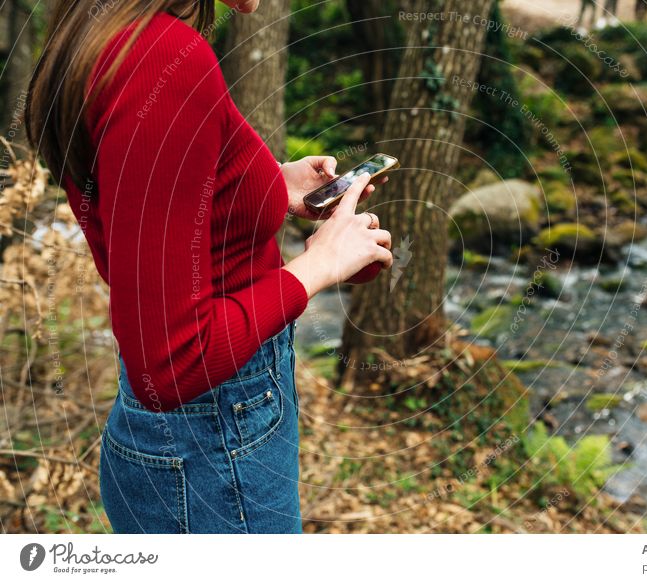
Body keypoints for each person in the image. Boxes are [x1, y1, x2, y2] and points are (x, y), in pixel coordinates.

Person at [25, 0, 392, 533]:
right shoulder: (166, 60)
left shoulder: (103, 35)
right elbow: (169, 362)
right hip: (216, 451)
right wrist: (320, 264)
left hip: (192, 450)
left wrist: (259, 183)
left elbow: (144, 237)